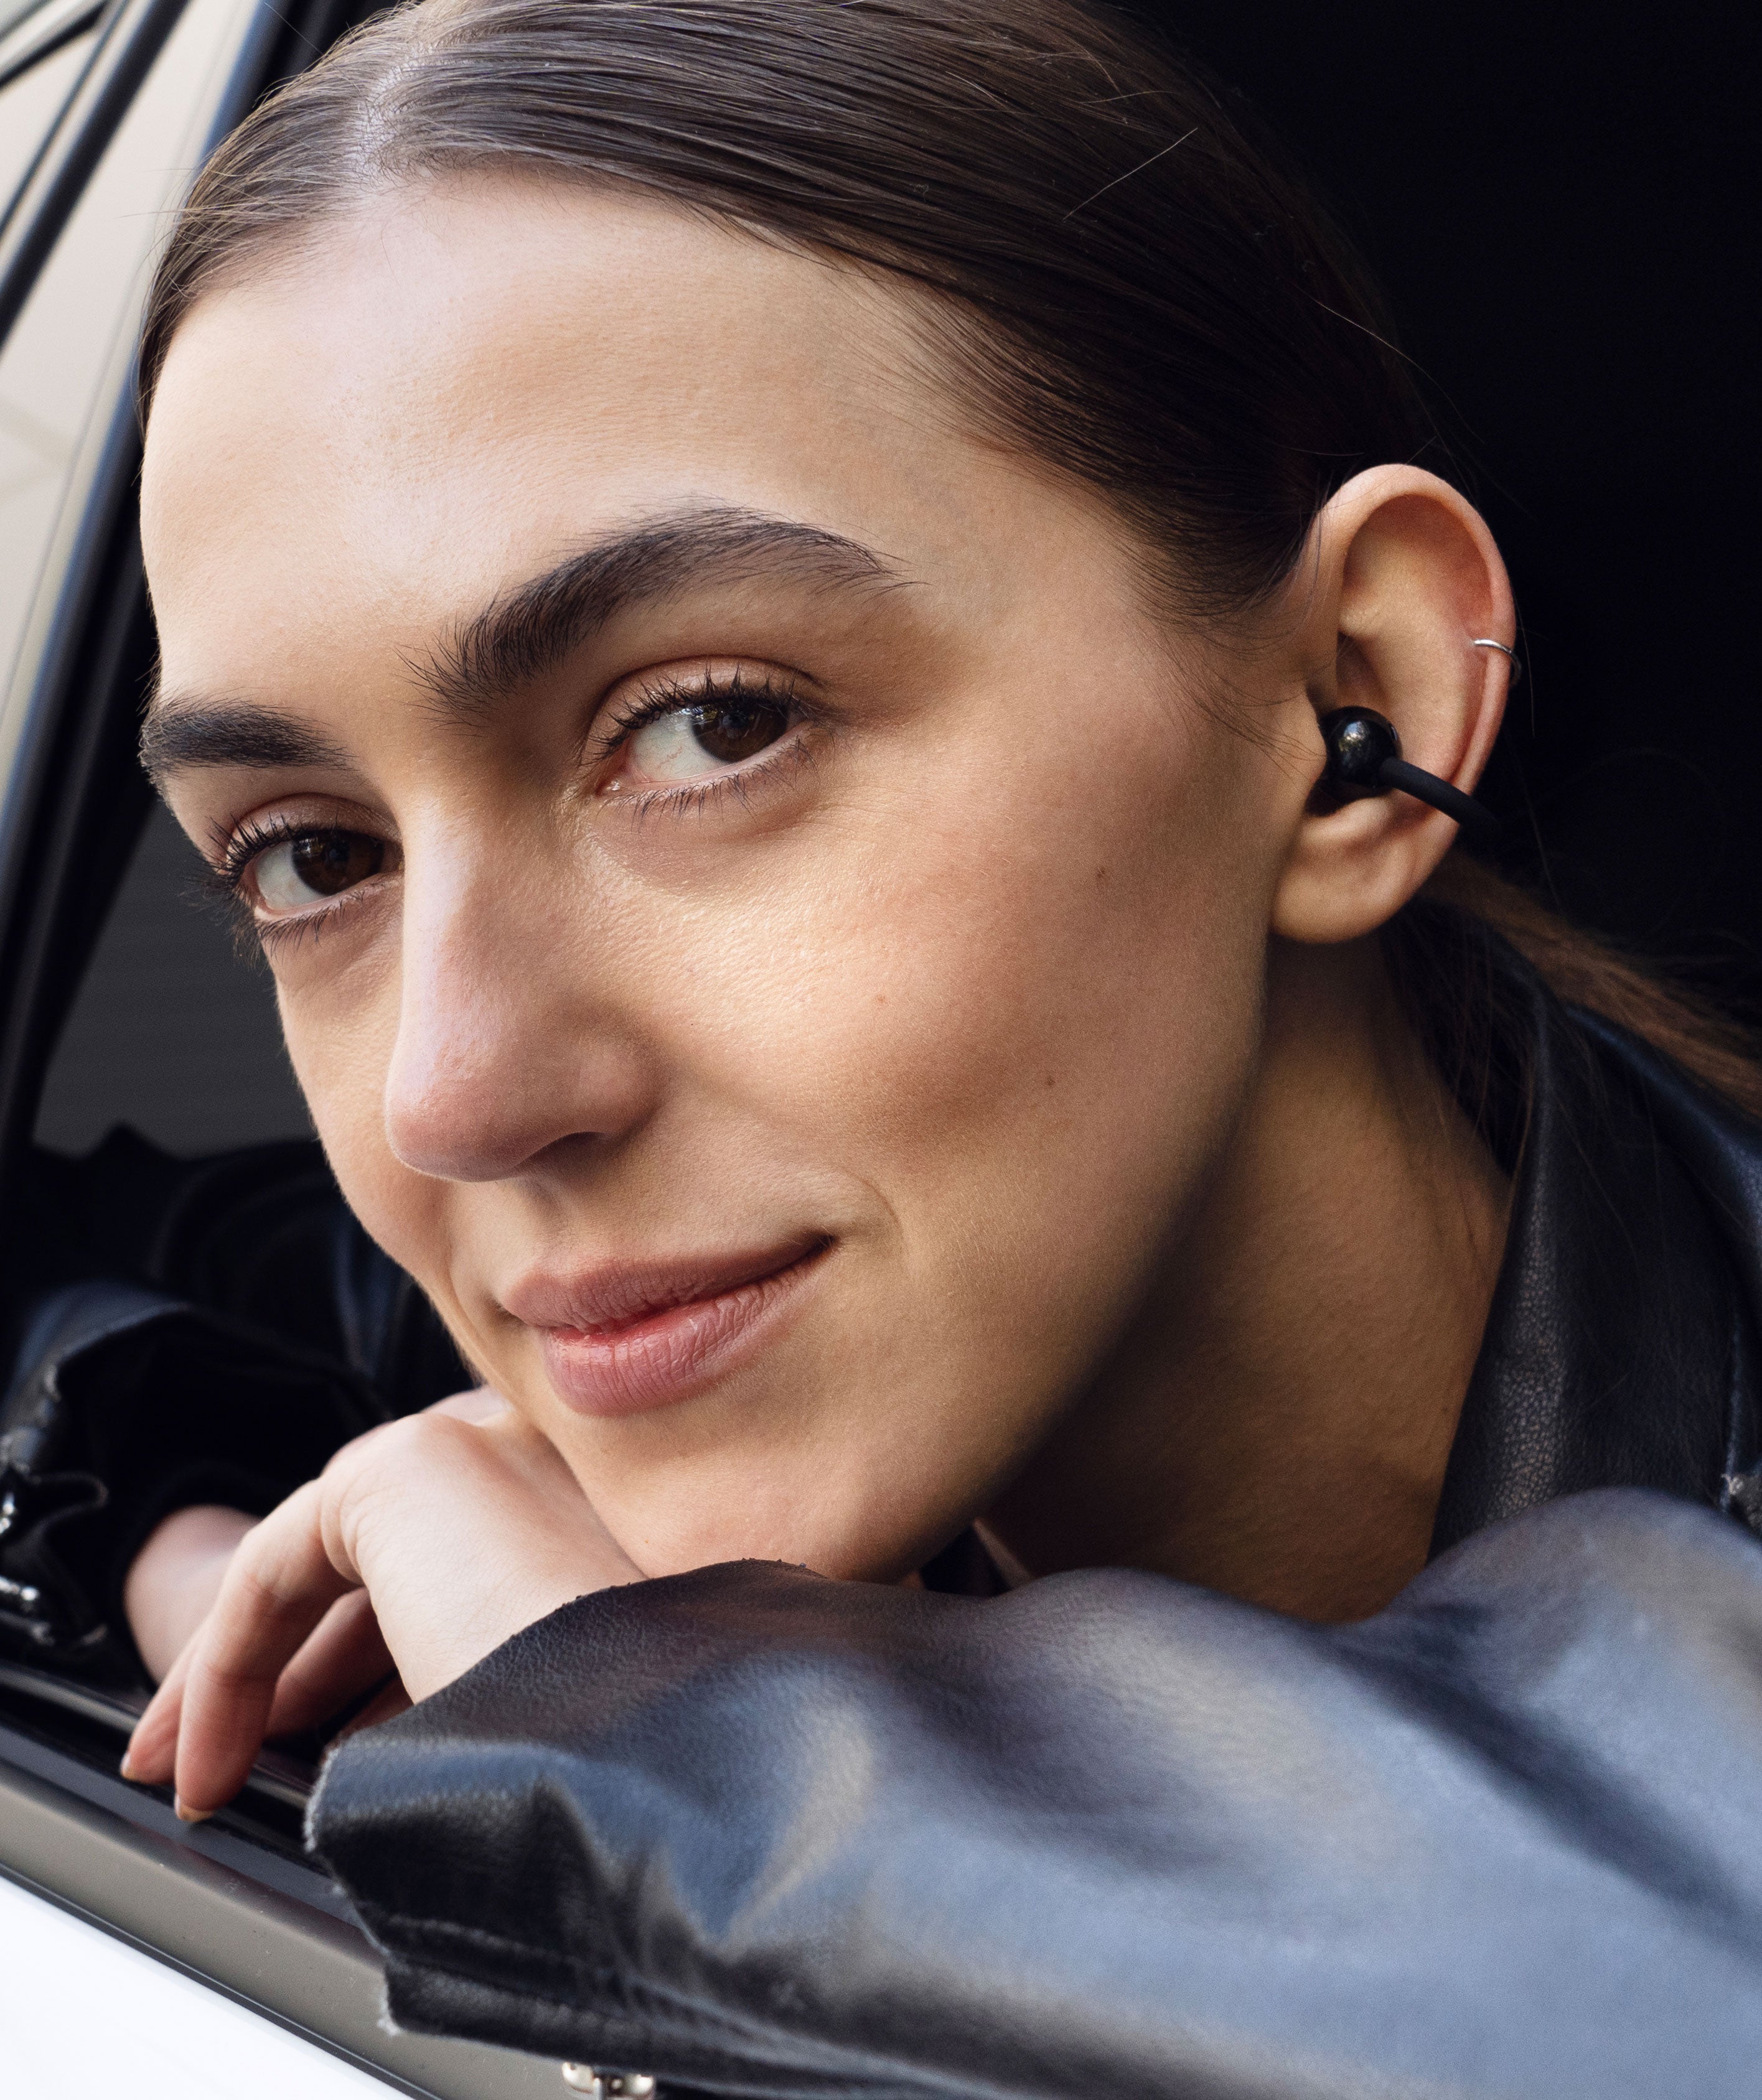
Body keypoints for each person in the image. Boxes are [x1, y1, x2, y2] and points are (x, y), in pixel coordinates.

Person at [113, 0, 1762, 2089]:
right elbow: (133, 1286)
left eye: (711, 725)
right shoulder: (572, 1302)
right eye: (308, 858)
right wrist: (180, 1542)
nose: (454, 1095)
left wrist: (654, 1722)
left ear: (1354, 715)